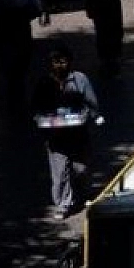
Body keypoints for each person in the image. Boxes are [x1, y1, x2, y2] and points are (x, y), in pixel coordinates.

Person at [32, 47, 102, 219]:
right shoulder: (44, 83)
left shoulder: (79, 79)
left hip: (78, 134)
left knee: (81, 169)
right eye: (56, 62)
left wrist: (94, 115)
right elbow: (36, 106)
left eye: (63, 61)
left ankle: (83, 194)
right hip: (55, 136)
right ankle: (62, 205)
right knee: (59, 172)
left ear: (69, 62)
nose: (59, 65)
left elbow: (91, 101)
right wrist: (39, 119)